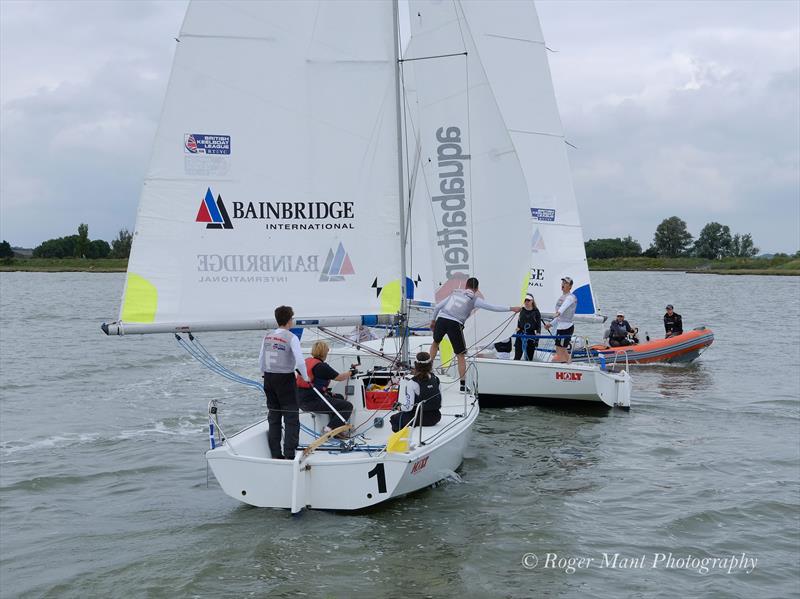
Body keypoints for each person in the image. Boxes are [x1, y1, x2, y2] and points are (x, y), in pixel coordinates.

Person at [429, 277, 520, 389]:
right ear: (476, 289)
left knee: (435, 343)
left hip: (442, 319)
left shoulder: (455, 294)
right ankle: (462, 385)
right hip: (455, 324)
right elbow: (493, 307)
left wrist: (433, 321)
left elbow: (438, 307)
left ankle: (427, 369)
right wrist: (512, 308)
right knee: (460, 355)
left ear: (465, 286)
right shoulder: (475, 299)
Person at [259, 305, 310, 460]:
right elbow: (300, 361)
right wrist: (306, 377)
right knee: (291, 418)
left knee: (274, 416)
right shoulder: (291, 337)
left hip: (268, 378)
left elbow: (261, 358)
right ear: (289, 320)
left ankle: (275, 454)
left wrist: (263, 373)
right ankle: (289, 454)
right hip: (285, 380)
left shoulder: (267, 336)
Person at [296, 341, 355, 435]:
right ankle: (328, 429)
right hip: (312, 402)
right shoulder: (321, 366)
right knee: (347, 406)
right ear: (324, 353)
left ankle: (336, 427)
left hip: (301, 400)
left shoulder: (307, 361)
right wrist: (351, 372)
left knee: (339, 397)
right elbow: (339, 378)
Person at [390, 352, 441, 432]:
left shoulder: (412, 383)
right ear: (431, 364)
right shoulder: (436, 379)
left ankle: (402, 440)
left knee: (394, 419)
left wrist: (399, 407)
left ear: (416, 365)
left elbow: (408, 407)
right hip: (436, 417)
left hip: (420, 417)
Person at [543, 276, 577, 363]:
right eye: (563, 283)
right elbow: (559, 318)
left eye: (566, 283)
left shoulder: (571, 297)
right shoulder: (562, 297)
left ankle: (567, 365)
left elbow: (564, 306)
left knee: (561, 349)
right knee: (559, 349)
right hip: (560, 327)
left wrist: (558, 312)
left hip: (567, 327)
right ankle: (567, 365)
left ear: (570, 286)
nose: (563, 284)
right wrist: (550, 324)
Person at [515, 293, 541, 361]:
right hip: (520, 334)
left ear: (532, 301)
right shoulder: (521, 310)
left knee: (529, 358)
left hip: (531, 335)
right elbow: (517, 322)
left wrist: (537, 340)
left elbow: (539, 326)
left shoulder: (536, 311)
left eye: (528, 300)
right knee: (517, 357)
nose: (526, 302)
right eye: (525, 300)